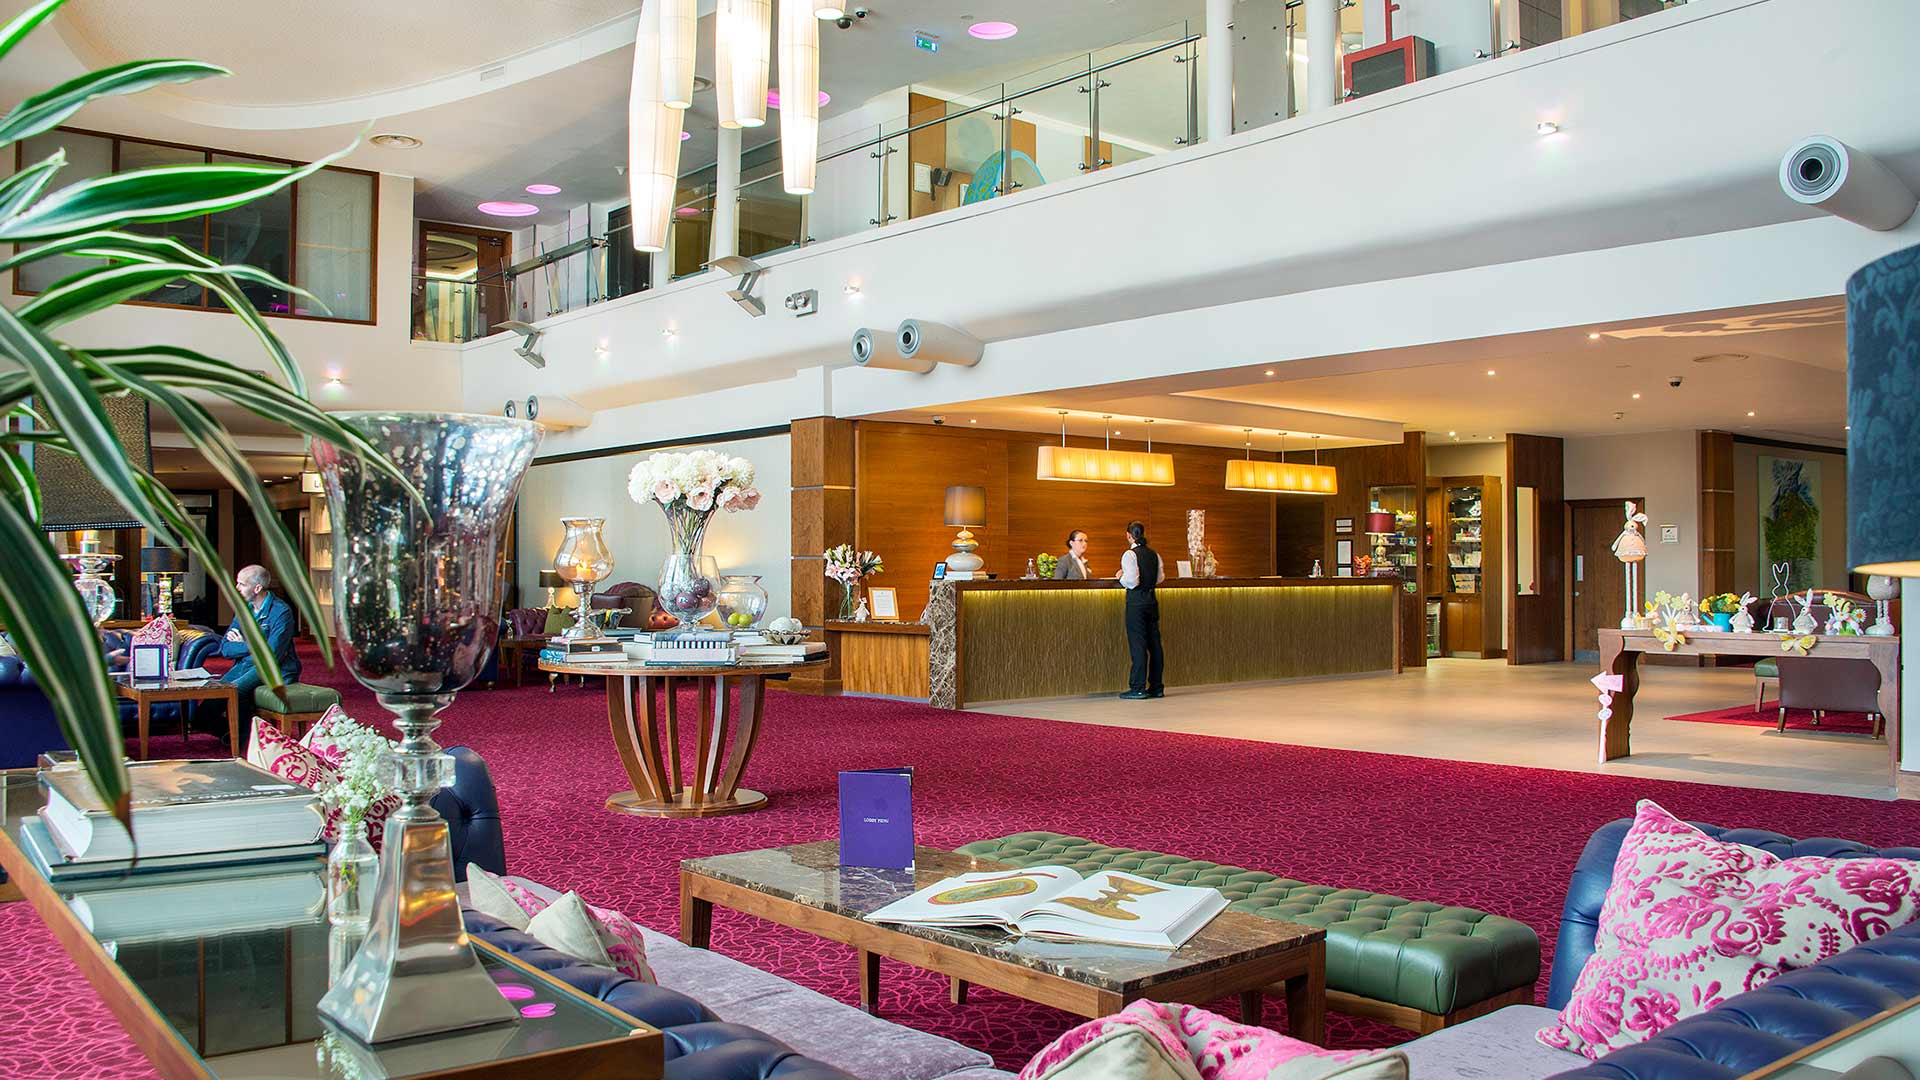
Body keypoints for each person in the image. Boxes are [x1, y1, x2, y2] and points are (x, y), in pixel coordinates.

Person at [216, 565, 301, 721]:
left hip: (275, 669)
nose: (237, 588)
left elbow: (272, 655)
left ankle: (245, 740)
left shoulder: (281, 612)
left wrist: (244, 644)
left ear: (257, 588)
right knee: (208, 704)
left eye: (242, 584)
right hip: (247, 664)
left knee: (234, 691)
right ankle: (235, 734)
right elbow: (225, 649)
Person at [1116, 521, 1165, 699]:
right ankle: (1157, 686)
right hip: (1152, 601)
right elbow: (1160, 578)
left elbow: (1132, 581)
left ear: (1129, 535)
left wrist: (1120, 577)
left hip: (1136, 603)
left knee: (1138, 644)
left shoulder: (1130, 555)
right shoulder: (1154, 554)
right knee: (1155, 644)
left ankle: (1137, 687)